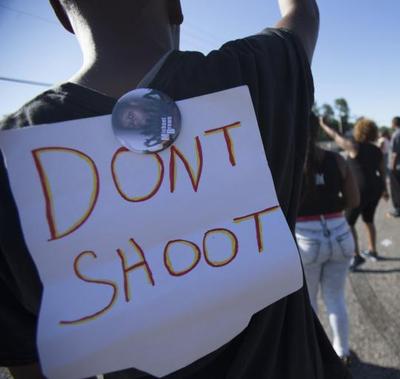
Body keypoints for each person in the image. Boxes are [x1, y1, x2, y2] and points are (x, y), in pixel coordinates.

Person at [0, 1, 353, 378]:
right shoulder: (253, 73)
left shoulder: (11, 158)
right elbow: (304, 14)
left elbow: (29, 363)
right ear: (176, 7)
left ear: (59, 12)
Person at [295, 114, 359, 366]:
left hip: (305, 239)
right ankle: (342, 351)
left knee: (308, 302)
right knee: (335, 298)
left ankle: (313, 354)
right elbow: (353, 200)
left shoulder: (289, 162)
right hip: (341, 234)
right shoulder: (337, 160)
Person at [319, 117, 388, 267]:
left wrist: (324, 125)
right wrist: (385, 191)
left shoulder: (354, 147)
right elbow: (383, 172)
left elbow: (336, 137)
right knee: (369, 220)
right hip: (375, 189)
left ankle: (356, 256)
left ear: (359, 131)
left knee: (348, 223)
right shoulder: (377, 150)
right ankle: (373, 250)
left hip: (360, 189)